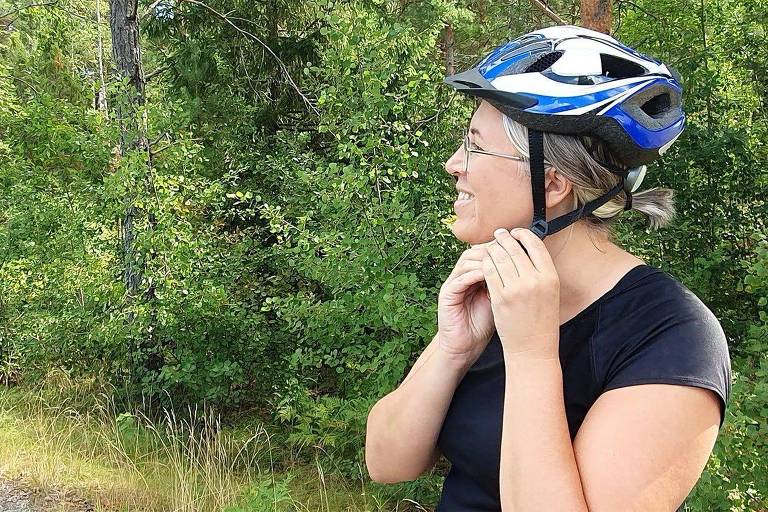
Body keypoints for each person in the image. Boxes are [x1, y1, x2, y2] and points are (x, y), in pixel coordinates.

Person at [365, 25, 732, 511]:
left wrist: (532, 354)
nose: (454, 163)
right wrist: (454, 348)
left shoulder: (673, 337)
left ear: (553, 183)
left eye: (476, 145)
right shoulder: (504, 289)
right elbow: (387, 464)